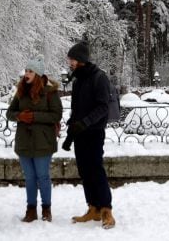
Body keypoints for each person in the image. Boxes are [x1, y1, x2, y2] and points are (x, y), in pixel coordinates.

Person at [63, 41, 120, 229]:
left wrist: (85, 123)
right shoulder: (78, 80)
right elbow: (77, 108)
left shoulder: (99, 77)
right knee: (84, 171)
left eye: (72, 59)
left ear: (81, 60)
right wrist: (72, 126)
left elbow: (103, 107)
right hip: (80, 134)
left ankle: (106, 211)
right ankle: (93, 208)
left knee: (96, 170)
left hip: (94, 133)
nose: (69, 63)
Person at [6, 55, 63, 223]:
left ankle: (46, 209)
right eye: (26, 70)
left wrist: (34, 116)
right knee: (29, 177)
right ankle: (31, 209)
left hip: (43, 142)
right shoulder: (21, 91)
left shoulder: (50, 93)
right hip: (24, 141)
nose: (26, 74)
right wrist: (20, 116)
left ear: (38, 74)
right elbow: (9, 113)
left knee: (43, 176)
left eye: (30, 71)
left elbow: (56, 115)